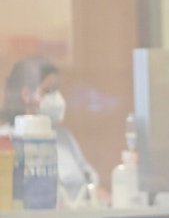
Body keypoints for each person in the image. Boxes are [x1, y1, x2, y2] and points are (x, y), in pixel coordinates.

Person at [2, 57, 99, 202]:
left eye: (57, 90)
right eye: (48, 91)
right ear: (26, 95)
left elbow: (90, 182)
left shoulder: (63, 137)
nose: (57, 98)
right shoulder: (6, 140)